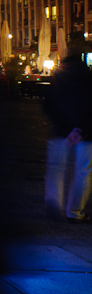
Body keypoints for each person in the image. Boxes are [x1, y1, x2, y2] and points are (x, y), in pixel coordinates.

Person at [43, 35, 92, 223]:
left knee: (56, 169)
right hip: (86, 135)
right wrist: (81, 130)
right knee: (83, 173)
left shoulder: (58, 78)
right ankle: (75, 211)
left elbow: (48, 106)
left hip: (60, 133)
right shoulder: (88, 78)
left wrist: (64, 128)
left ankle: (54, 204)